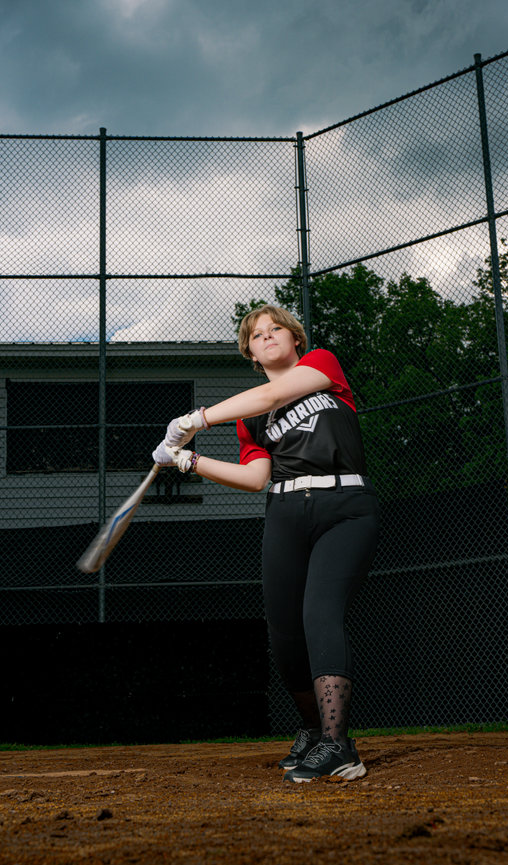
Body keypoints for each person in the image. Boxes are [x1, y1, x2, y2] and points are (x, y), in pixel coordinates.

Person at [152, 305, 380, 783]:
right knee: (284, 633)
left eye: (277, 329)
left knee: (320, 613)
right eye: (258, 335)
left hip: (345, 505)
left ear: (295, 340)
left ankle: (340, 745)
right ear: (252, 353)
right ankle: (314, 731)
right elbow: (256, 478)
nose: (268, 336)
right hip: (285, 514)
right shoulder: (250, 422)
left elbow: (273, 394)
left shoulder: (322, 364)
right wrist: (187, 459)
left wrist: (195, 418)